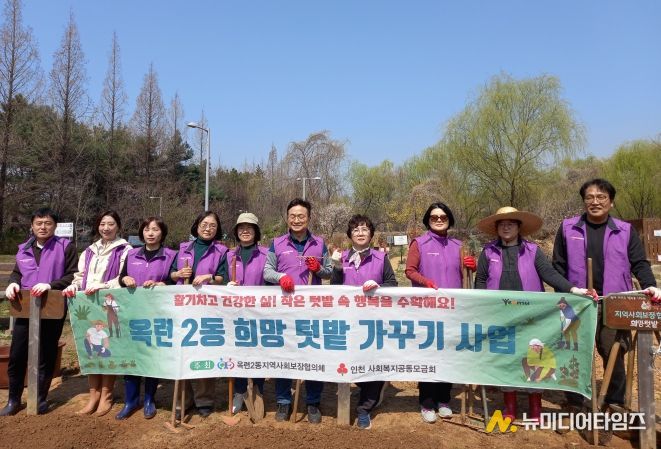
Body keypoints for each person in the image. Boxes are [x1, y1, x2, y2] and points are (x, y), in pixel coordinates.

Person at [475, 206, 593, 423]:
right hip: (500, 316)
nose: (506, 227)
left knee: (535, 358)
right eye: (502, 224)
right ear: (497, 228)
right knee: (507, 359)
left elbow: (549, 274)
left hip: (531, 316)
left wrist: (574, 289)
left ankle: (535, 408)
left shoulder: (532, 250)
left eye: (511, 223)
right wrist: (481, 307)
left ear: (519, 227)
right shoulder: (488, 252)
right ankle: (510, 407)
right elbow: (480, 281)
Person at [552, 178, 660, 409]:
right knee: (573, 350)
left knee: (613, 350)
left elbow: (639, 263)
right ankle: (574, 401)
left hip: (614, 302)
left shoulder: (624, 230)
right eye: (589, 197)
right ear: (584, 202)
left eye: (601, 197)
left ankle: (614, 402)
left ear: (611, 202)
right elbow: (558, 265)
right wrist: (565, 292)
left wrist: (650, 284)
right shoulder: (568, 228)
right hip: (577, 301)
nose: (595, 202)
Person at [1, 208, 78, 416]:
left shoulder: (66, 247)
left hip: (52, 307)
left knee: (46, 354)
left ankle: (40, 399)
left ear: (55, 226)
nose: (43, 227)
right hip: (25, 308)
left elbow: (73, 275)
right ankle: (14, 400)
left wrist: (51, 285)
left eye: (48, 223)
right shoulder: (24, 248)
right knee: (17, 355)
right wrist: (13, 283)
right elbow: (17, 273)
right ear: (32, 226)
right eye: (39, 223)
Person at [405, 202, 476, 424]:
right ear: (428, 220)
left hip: (453, 310)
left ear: (449, 219)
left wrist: (471, 266)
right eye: (434, 217)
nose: (438, 220)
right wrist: (425, 281)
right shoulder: (419, 243)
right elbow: (409, 270)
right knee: (429, 355)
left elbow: (465, 274)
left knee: (449, 354)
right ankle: (427, 402)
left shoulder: (458, 246)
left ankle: (444, 400)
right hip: (427, 309)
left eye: (443, 216)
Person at [263, 198, 332, 424]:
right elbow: (267, 271)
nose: (296, 220)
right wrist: (281, 277)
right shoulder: (276, 243)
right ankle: (283, 401)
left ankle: (313, 401)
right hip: (284, 309)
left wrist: (319, 269)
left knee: (312, 355)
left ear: (309, 218)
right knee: (284, 355)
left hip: (312, 310)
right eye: (292, 216)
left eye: (301, 216)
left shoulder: (320, 243)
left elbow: (330, 272)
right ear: (287, 218)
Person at [330, 214, 397, 430]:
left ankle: (364, 409)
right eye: (356, 230)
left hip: (374, 321)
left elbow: (392, 284)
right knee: (349, 361)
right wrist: (336, 268)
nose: (360, 233)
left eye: (365, 229)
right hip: (348, 321)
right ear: (350, 235)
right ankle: (370, 386)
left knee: (373, 363)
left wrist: (378, 287)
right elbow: (334, 289)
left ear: (371, 234)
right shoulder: (342, 258)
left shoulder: (380, 258)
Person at [63, 210, 132, 416]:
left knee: (107, 347)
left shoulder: (125, 250)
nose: (106, 228)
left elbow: (123, 277)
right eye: (102, 224)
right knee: (91, 346)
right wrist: (75, 285)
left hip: (109, 303)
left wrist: (103, 285)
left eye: (111, 224)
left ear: (118, 227)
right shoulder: (89, 251)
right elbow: (80, 275)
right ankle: (93, 395)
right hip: (88, 304)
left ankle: (107, 394)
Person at [115, 216, 177, 420]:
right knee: (132, 356)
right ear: (142, 232)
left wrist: (163, 284)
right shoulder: (131, 254)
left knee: (152, 356)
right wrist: (125, 278)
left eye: (155, 229)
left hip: (157, 314)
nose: (150, 233)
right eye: (147, 229)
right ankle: (130, 400)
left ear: (162, 233)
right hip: (133, 313)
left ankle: (150, 399)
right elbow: (121, 277)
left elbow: (175, 280)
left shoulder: (171, 255)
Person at [170, 211, 228, 418]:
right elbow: (170, 275)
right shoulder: (183, 249)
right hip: (183, 308)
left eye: (213, 225)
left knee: (205, 352)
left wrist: (208, 277)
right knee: (181, 353)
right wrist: (178, 274)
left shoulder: (221, 251)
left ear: (217, 229)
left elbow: (224, 277)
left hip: (207, 308)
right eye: (204, 224)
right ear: (196, 226)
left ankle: (205, 399)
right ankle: (183, 399)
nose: (208, 228)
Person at [226, 212, 267, 416]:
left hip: (260, 313)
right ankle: (239, 392)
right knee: (238, 353)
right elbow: (219, 279)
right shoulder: (229, 255)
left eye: (249, 227)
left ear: (256, 231)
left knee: (258, 352)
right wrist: (226, 285)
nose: (245, 231)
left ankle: (258, 390)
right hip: (235, 314)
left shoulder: (266, 254)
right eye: (241, 227)